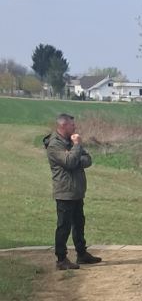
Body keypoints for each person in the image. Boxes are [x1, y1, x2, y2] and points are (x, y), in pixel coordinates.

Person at [43, 113, 101, 272]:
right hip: (65, 191)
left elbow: (87, 159)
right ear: (63, 125)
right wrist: (76, 146)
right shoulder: (54, 144)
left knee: (79, 224)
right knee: (64, 226)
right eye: (72, 125)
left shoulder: (70, 141)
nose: (75, 127)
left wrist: (75, 156)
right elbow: (69, 162)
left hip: (76, 191)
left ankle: (81, 254)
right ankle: (61, 259)